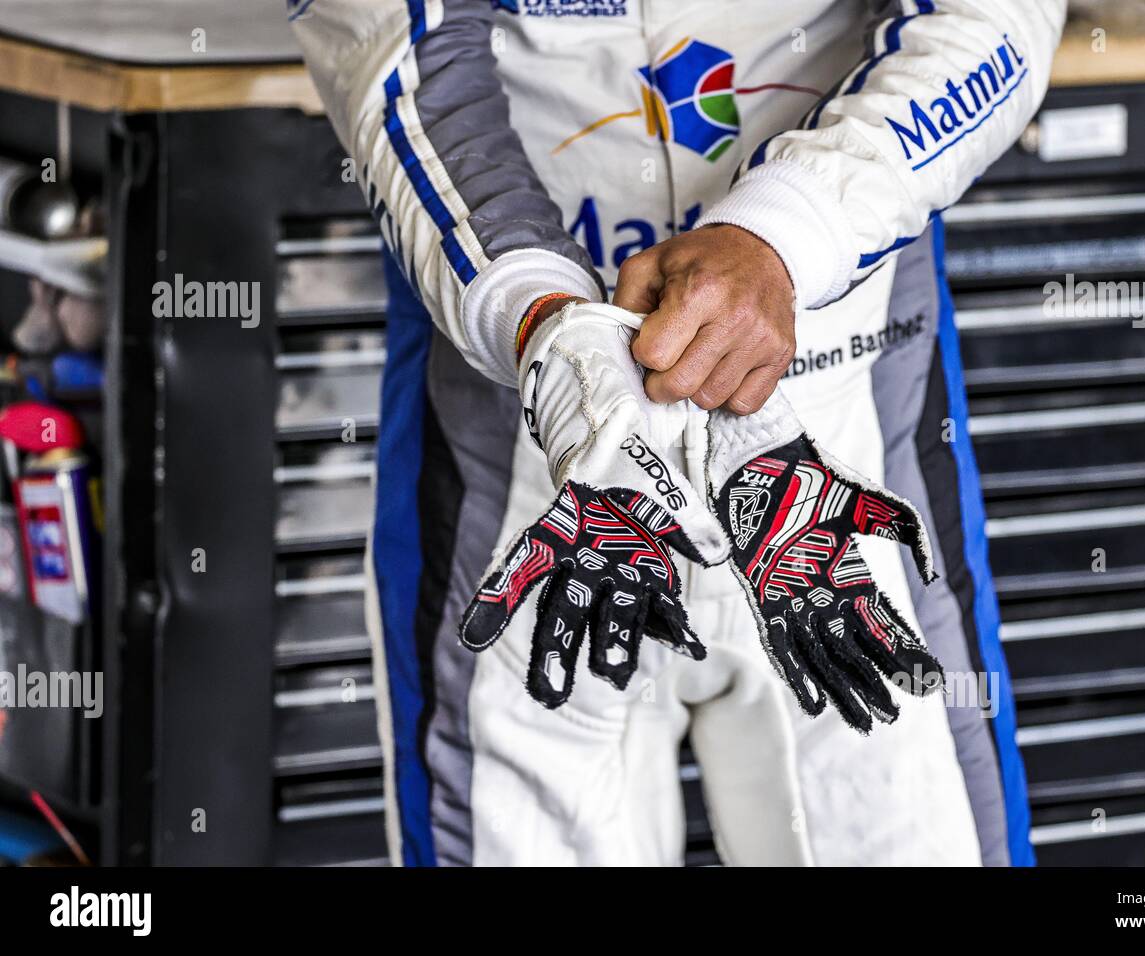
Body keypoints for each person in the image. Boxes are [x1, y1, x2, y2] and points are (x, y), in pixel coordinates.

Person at [292, 0, 1067, 866]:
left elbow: (990, 22)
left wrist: (782, 236)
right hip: (526, 479)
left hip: (837, 463)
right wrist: (547, 321)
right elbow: (398, 48)